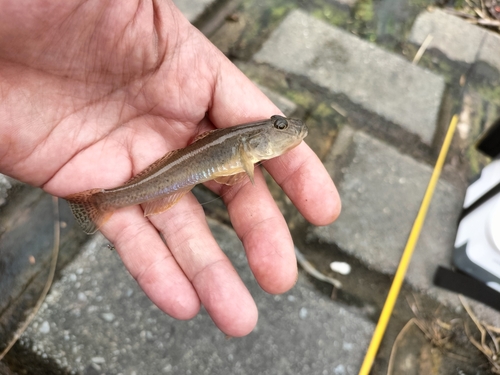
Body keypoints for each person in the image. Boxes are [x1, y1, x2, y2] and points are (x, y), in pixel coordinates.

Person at [0, 0, 340, 337]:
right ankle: (101, 202)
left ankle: (104, 202)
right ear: (253, 145)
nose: (287, 129)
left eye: (279, 128)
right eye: (278, 128)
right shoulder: (244, 148)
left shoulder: (245, 149)